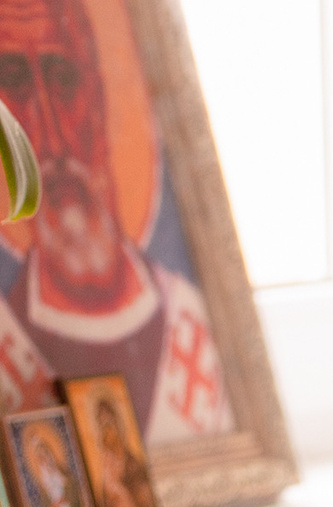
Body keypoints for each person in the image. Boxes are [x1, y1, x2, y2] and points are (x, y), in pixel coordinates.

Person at [0, 0, 235, 440]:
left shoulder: (195, 331)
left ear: (99, 96)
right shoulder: (9, 346)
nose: (48, 136)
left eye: (64, 80)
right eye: (14, 86)